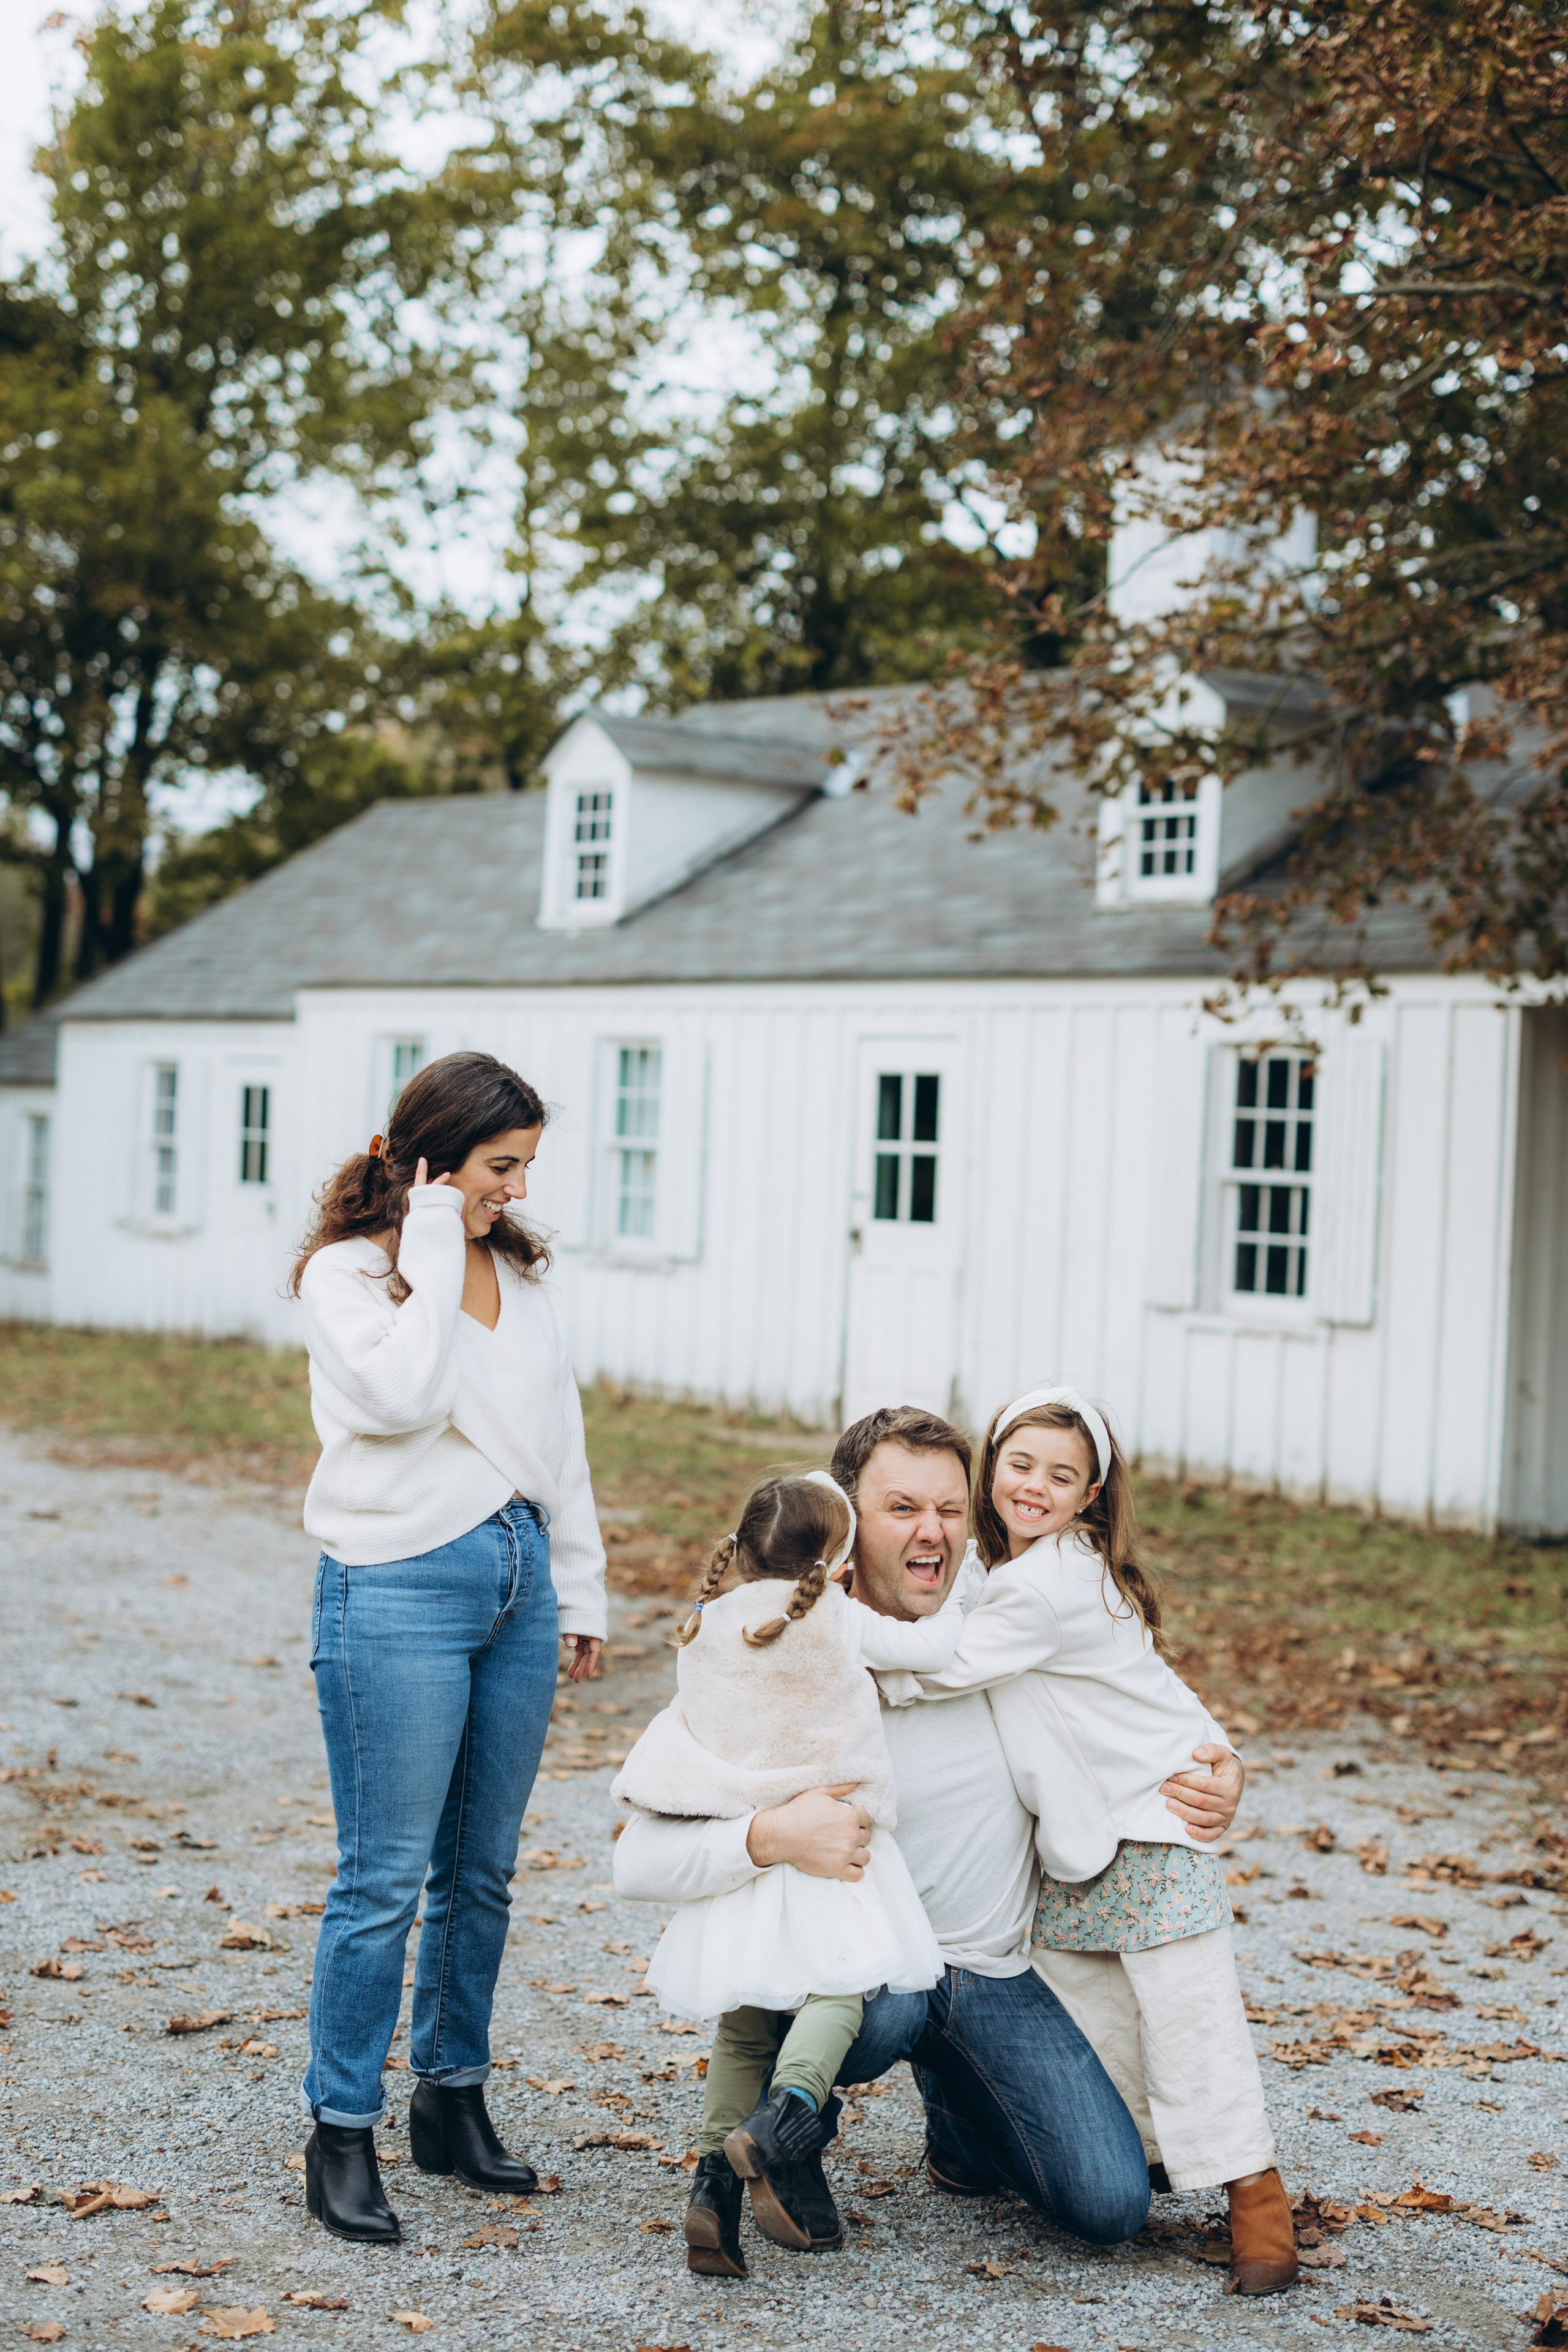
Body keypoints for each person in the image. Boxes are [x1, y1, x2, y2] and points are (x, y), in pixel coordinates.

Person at [612, 1406, 1243, 2263]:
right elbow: (639, 1857)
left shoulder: (1005, 1611)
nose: (934, 1533)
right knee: (851, 2011)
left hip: (991, 1970)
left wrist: (1221, 1764)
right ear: (844, 1519)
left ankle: (961, 2126)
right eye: (902, 1508)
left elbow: (1133, 1690)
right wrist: (770, 1836)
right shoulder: (777, 1648)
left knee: (1109, 2205)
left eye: (951, 1508)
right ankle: (788, 2142)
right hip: (867, 1978)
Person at [290, 1050, 606, 2245]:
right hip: (396, 1585)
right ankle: (340, 2131)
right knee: (381, 1883)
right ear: (429, 1164)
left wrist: (582, 1592)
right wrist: (427, 1231)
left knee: (480, 1871)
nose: (517, 1191)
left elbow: (559, 1437)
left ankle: (451, 2099)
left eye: (525, 1166)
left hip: (516, 1582)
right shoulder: (346, 1276)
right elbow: (404, 1399)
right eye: (498, 1167)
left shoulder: (518, 1279)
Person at [885, 1386, 1295, 2298]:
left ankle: (1257, 2197)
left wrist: (847, 1642)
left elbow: (949, 1667)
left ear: (1091, 1498)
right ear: (992, 1464)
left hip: (1148, 1826)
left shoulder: (1048, 1582)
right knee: (1092, 2011)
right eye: (1019, 1464)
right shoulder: (1020, 1569)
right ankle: (1134, 2150)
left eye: (1061, 1475)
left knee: (1190, 2020)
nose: (1033, 1485)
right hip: (1081, 1841)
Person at [612, 1470, 962, 2277]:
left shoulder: (703, 1627)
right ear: (837, 1565)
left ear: (737, 1550)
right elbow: (934, 1647)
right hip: (827, 1847)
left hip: (747, 1856)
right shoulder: (837, 1620)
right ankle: (788, 2119)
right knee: (840, 1987)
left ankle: (712, 2196)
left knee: (743, 2023)